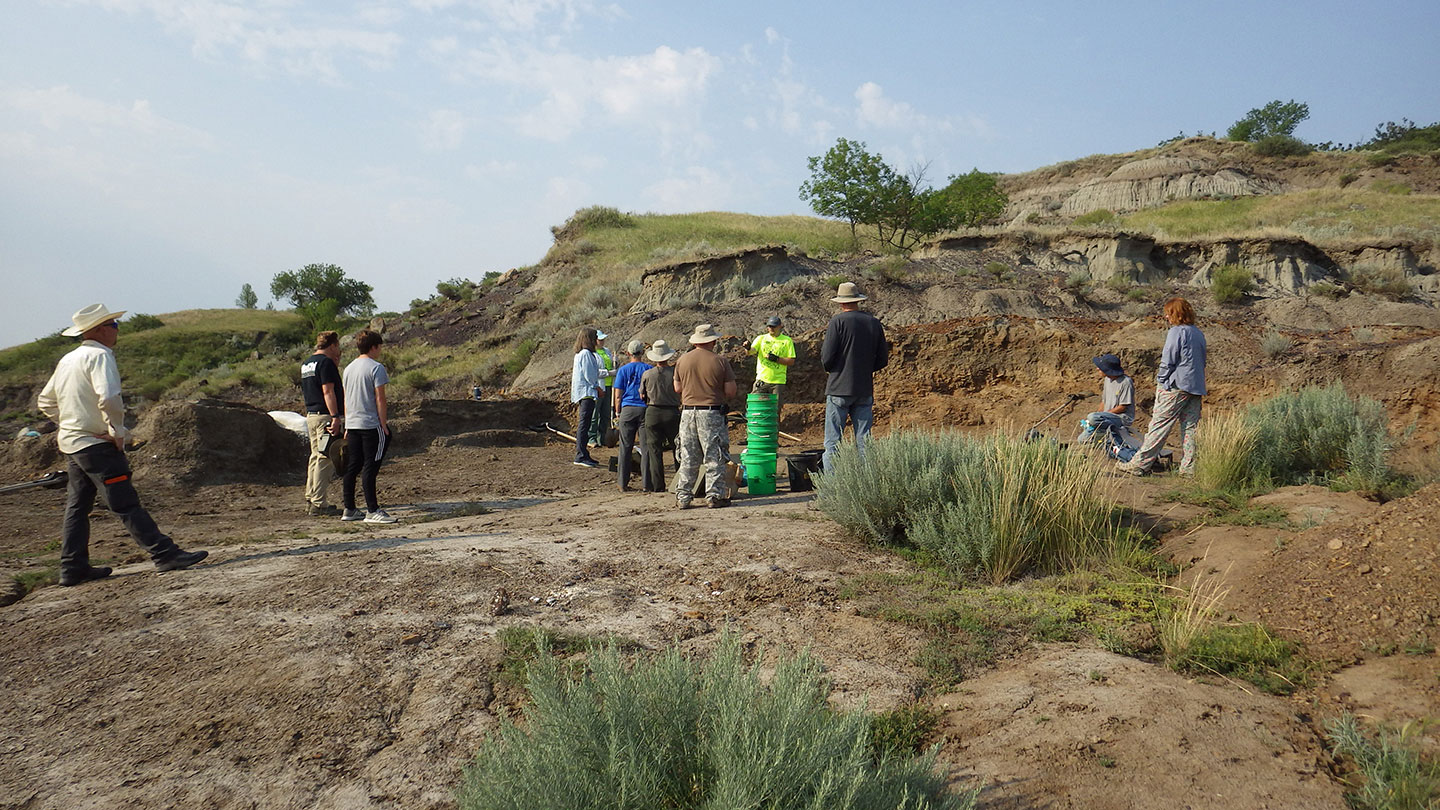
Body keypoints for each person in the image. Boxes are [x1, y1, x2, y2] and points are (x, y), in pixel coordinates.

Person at [37, 303, 208, 586]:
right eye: (114, 325)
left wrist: (70, 422)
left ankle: (72, 568)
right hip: (96, 445)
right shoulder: (100, 356)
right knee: (124, 503)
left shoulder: (68, 359)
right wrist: (116, 430)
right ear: (100, 329)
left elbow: (45, 401)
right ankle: (164, 553)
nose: (117, 330)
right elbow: (109, 397)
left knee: (77, 507)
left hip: (73, 444)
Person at [1119, 297, 1208, 476]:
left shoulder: (1176, 332)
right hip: (1195, 387)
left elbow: (1168, 360)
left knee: (1159, 426)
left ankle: (1140, 464)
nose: (1166, 317)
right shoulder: (1198, 333)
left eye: (1168, 313)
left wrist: (1161, 381)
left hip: (1175, 386)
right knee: (1190, 429)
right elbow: (1202, 361)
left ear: (1176, 314)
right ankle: (1188, 468)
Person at [821, 281, 888, 471]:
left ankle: (831, 491)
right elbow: (883, 358)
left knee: (833, 443)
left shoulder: (837, 322)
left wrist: (836, 370)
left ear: (841, 303)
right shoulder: (873, 323)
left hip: (838, 389)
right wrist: (865, 370)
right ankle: (867, 485)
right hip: (864, 388)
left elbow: (826, 358)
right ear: (858, 301)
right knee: (864, 442)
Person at [672, 324, 736, 508]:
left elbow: (677, 388)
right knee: (714, 455)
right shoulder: (720, 361)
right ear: (713, 341)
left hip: (687, 412)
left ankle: (683, 496)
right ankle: (714, 495)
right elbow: (730, 391)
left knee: (688, 456)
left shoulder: (682, 361)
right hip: (710, 413)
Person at [341, 329, 397, 523]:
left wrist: (347, 423)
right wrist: (383, 424)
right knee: (370, 467)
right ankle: (372, 510)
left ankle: (349, 508)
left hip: (353, 423)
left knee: (353, 466)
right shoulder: (376, 367)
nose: (380, 350)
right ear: (374, 347)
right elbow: (380, 398)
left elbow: (346, 398)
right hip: (370, 424)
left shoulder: (348, 368)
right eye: (380, 347)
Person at [300, 330, 344, 516]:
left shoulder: (307, 363)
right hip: (325, 417)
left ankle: (311, 497)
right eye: (338, 346)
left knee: (315, 456)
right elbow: (328, 391)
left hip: (311, 415)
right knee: (325, 458)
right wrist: (335, 416)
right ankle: (319, 503)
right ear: (332, 345)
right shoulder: (325, 363)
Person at [639, 339, 681, 493]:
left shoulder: (647, 374)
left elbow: (642, 395)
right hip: (672, 412)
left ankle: (658, 486)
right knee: (677, 448)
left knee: (654, 450)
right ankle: (679, 483)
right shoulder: (675, 372)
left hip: (653, 412)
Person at [611, 340, 652, 491]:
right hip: (644, 409)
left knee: (625, 447)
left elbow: (618, 394)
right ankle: (647, 484)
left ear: (628, 353)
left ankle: (622, 483)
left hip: (627, 408)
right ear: (642, 353)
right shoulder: (648, 369)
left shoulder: (623, 370)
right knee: (646, 447)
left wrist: (617, 412)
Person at [1074, 353, 1135, 444]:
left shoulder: (1125, 382)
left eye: (1101, 368)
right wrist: (1098, 415)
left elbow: (1122, 407)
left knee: (1092, 417)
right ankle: (1102, 437)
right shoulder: (1107, 380)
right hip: (1106, 417)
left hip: (1121, 418)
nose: (1097, 369)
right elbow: (1104, 401)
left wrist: (1101, 416)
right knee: (1081, 440)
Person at [748, 315, 796, 418]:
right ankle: (756, 430)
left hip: (778, 382)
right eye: (769, 326)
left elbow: (791, 361)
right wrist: (747, 348)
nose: (771, 329)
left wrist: (777, 359)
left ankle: (773, 432)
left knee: (775, 411)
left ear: (780, 326)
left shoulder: (787, 341)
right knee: (756, 406)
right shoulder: (761, 338)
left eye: (774, 326)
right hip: (762, 380)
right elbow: (751, 351)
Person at [570, 327, 603, 468]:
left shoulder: (581, 354)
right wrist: (598, 387)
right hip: (586, 393)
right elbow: (590, 376)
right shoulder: (586, 354)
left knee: (585, 424)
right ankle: (581, 455)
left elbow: (592, 372)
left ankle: (583, 453)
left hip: (584, 393)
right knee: (584, 424)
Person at [587, 330, 617, 448]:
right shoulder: (592, 354)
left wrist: (615, 365)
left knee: (605, 413)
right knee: (595, 413)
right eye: (600, 339)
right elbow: (593, 372)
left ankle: (603, 437)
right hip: (598, 386)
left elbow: (612, 365)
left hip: (609, 386)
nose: (603, 341)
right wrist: (608, 373)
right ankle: (592, 437)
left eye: (603, 339)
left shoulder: (607, 351)